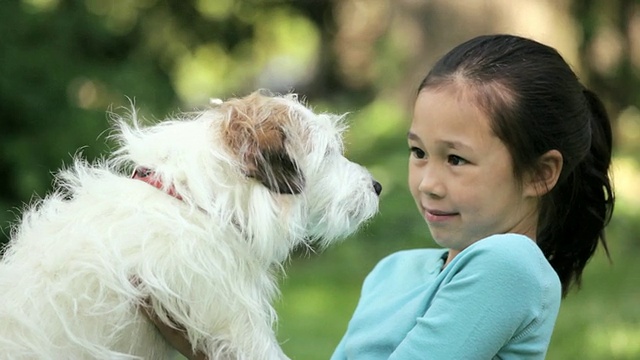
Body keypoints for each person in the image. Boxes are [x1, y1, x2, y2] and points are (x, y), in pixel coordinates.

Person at [146, 34, 615, 359]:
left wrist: (210, 347)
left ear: (540, 174)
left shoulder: (511, 266)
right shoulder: (394, 271)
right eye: (417, 152)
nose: (428, 182)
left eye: (456, 160)